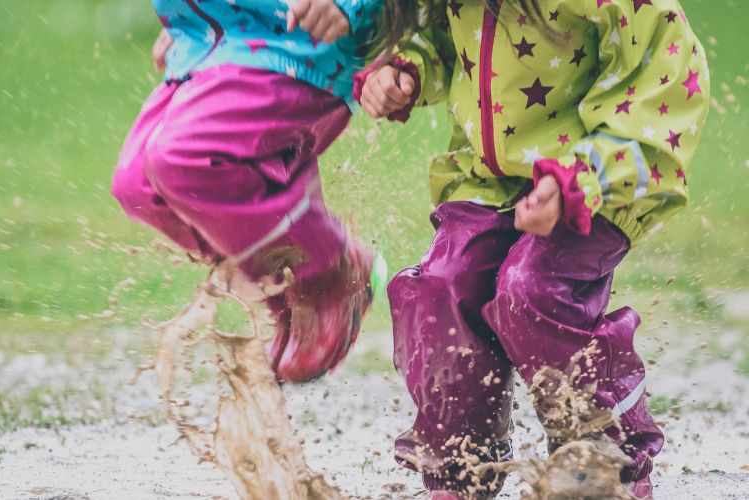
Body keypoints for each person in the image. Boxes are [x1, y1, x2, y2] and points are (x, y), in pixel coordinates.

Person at [355, 0, 710, 497]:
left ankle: (604, 459)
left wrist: (580, 180)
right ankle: (463, 464)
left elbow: (663, 75)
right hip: (488, 181)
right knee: (441, 288)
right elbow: (446, 38)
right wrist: (405, 67)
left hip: (597, 178)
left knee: (531, 288)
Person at [112, 0, 384, 383]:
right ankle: (286, 287)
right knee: (136, 184)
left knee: (181, 158)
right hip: (211, 41)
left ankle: (328, 268)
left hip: (294, 42)